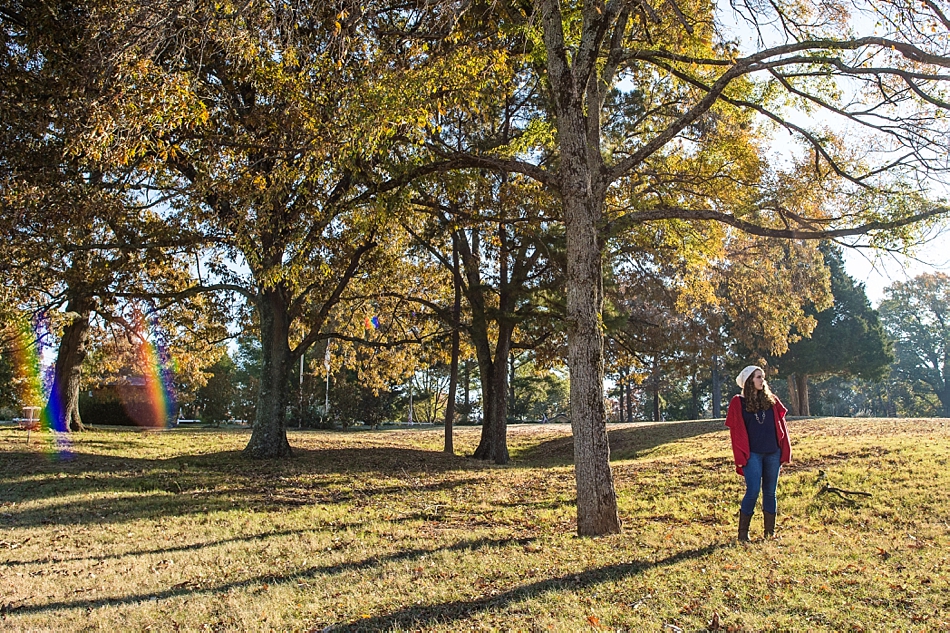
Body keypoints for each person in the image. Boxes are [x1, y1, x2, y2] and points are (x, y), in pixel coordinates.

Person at [725, 365, 791, 542]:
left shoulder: (772, 400)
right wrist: (739, 457)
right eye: (758, 377)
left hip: (772, 454)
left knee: (770, 492)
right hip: (752, 454)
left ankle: (769, 533)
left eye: (762, 377)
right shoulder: (738, 402)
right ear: (749, 381)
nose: (762, 380)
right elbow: (736, 433)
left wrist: (784, 450)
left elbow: (782, 427)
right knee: (753, 490)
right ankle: (742, 534)